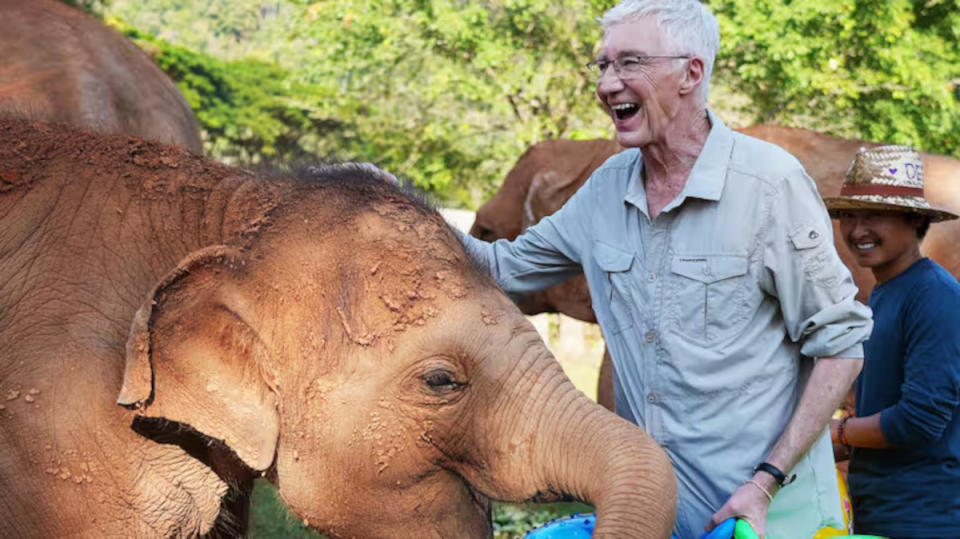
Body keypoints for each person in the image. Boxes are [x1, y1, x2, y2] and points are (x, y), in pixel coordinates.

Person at [456, 1, 874, 537]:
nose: (609, 84)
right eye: (603, 65)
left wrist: (764, 482)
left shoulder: (770, 185)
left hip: (765, 517)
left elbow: (841, 347)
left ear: (691, 73)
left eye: (630, 63)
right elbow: (501, 266)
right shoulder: (606, 188)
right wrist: (393, 214)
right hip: (650, 517)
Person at [825, 146, 960, 538]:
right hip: (880, 511)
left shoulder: (934, 296)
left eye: (874, 215)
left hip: (924, 517)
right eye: (848, 215)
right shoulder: (886, 293)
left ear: (915, 219)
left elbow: (918, 420)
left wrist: (836, 433)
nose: (856, 230)